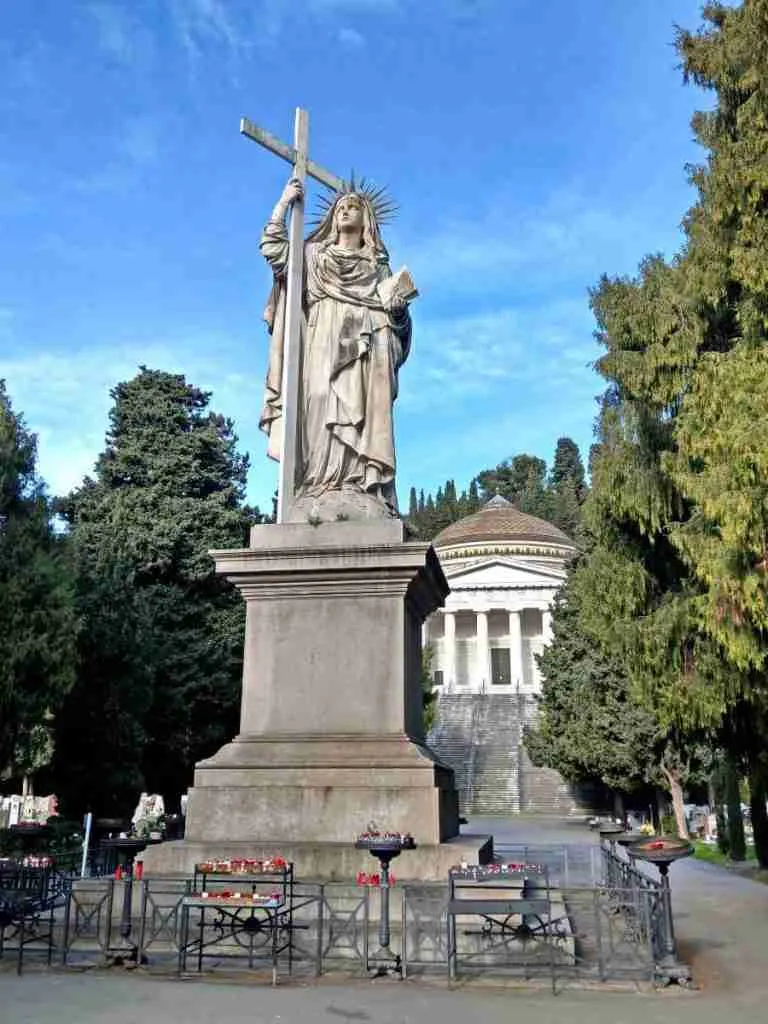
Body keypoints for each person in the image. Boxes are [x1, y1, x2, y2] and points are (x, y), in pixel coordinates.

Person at [259, 177, 412, 518]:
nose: (345, 210)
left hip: (367, 350)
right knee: (318, 403)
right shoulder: (313, 255)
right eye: (340, 207)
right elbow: (274, 250)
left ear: (366, 219)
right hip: (321, 341)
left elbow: (400, 328)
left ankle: (359, 485)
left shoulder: (377, 267)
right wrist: (284, 203)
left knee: (363, 416)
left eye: (353, 206)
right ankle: (316, 485)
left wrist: (398, 313)